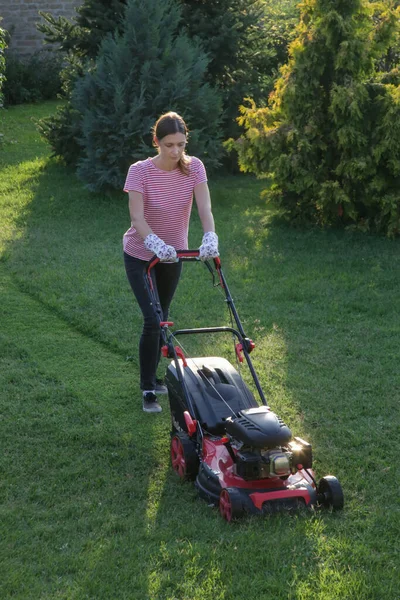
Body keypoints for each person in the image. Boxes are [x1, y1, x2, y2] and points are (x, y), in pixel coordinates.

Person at [123, 111, 219, 413]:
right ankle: (148, 389)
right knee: (152, 320)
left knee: (162, 315)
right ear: (156, 142)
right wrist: (154, 242)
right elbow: (136, 218)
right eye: (168, 145)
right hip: (140, 255)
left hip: (174, 254)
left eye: (181, 143)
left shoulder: (195, 169)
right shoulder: (139, 171)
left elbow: (205, 208)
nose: (176, 151)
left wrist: (210, 237)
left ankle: (157, 377)